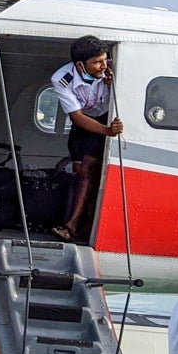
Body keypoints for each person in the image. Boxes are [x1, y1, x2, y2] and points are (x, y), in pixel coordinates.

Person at [50, 36, 123, 241]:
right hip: (84, 123)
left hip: (104, 118)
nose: (103, 65)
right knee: (79, 173)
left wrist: (111, 84)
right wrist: (107, 131)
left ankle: (73, 227)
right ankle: (78, 226)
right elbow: (77, 116)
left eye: (105, 60)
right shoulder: (62, 78)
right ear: (81, 65)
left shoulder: (112, 70)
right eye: (98, 62)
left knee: (89, 169)